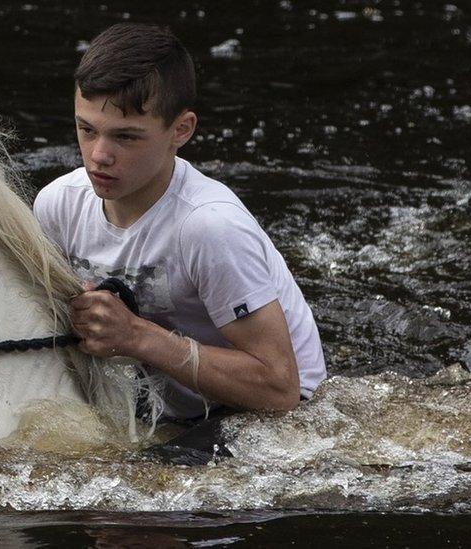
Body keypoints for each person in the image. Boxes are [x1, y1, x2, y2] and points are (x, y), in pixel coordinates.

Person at [33, 23, 327, 425]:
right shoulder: (58, 206)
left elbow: (280, 388)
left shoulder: (210, 228)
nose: (99, 156)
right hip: (164, 410)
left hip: (276, 419)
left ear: (181, 130)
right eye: (87, 130)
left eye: (126, 137)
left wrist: (135, 336)